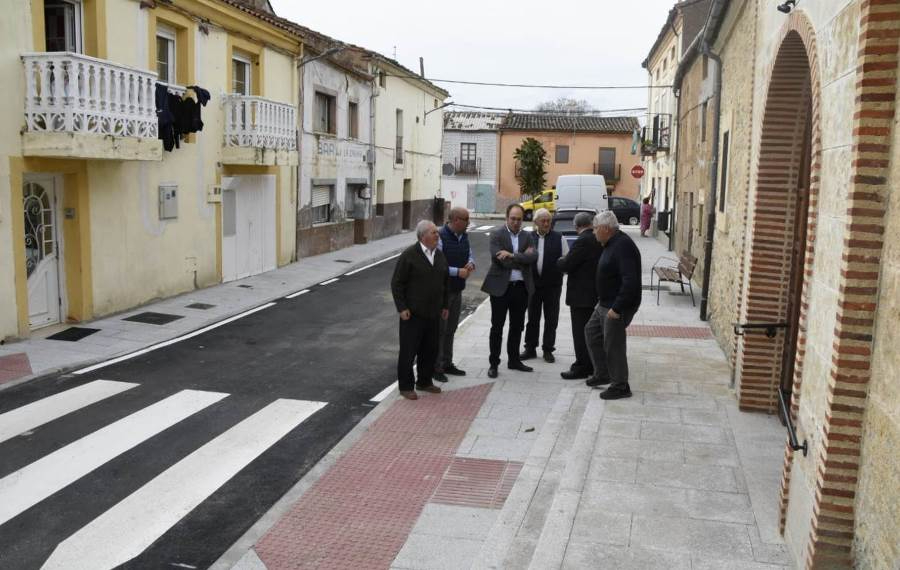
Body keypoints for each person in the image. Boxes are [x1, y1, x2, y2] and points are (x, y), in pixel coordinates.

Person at [584, 210, 642, 400]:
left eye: (595, 229)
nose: (593, 233)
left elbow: (630, 281)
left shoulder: (623, 246)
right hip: (605, 303)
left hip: (617, 306)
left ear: (605, 228)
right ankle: (603, 373)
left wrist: (617, 308)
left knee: (613, 345)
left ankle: (620, 385)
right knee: (591, 332)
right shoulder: (611, 242)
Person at [391, 220, 450, 400]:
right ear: (423, 236)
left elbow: (445, 282)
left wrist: (445, 305)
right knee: (409, 352)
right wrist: (402, 308)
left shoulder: (439, 255)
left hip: (433, 313)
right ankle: (406, 386)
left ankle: (424, 381)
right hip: (412, 315)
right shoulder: (409, 255)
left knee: (430, 350)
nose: (437, 235)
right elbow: (397, 283)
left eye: (437, 232)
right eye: (434, 233)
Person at [481, 203, 538, 378]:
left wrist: (512, 255)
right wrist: (522, 258)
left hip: (520, 288)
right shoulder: (497, 234)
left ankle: (514, 360)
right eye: (513, 219)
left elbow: (533, 257)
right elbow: (499, 259)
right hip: (500, 289)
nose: (515, 222)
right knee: (497, 327)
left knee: (517, 326)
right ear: (507, 218)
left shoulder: (527, 236)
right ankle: (494, 364)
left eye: (519, 219)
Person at [556, 211, 603, 380]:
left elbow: (567, 264)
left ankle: (582, 366)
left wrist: (560, 259)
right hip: (595, 293)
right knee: (592, 332)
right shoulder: (597, 238)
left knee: (580, 332)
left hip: (581, 296)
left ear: (577, 226)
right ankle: (592, 363)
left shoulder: (582, 240)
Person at [520, 208, 568, 363]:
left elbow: (566, 259)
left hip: (553, 285)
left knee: (551, 318)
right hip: (533, 285)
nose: (547, 223)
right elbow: (521, 257)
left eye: (549, 220)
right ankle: (530, 348)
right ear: (536, 223)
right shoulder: (528, 237)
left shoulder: (559, 237)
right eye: (543, 220)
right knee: (532, 317)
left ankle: (548, 349)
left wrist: (559, 272)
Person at [434, 207, 475, 382]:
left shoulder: (464, 237)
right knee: (439, 330)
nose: (468, 223)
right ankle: (435, 367)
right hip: (443, 292)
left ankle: (447, 363)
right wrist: (457, 272)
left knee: (451, 329)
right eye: (466, 219)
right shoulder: (440, 237)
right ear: (456, 220)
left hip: (457, 289)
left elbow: (470, 254)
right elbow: (437, 265)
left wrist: (471, 263)